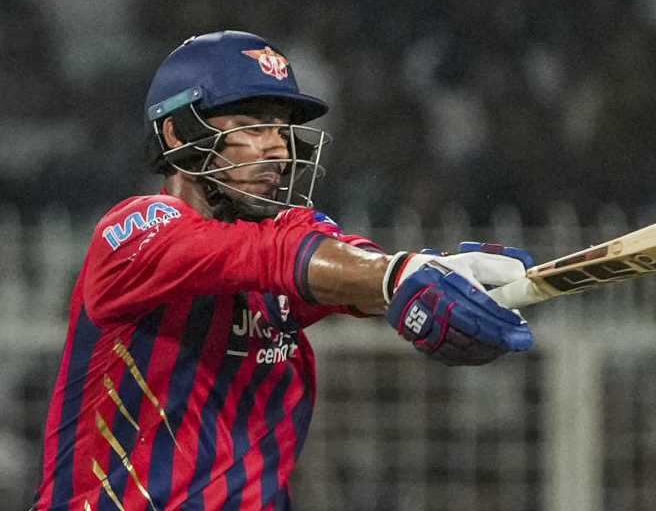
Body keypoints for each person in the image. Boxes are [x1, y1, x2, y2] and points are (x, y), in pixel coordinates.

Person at [31, 30, 534, 510]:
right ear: (178, 132)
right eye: (253, 127)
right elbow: (275, 256)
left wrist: (429, 274)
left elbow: (341, 266)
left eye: (281, 128)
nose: (279, 148)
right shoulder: (137, 230)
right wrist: (397, 276)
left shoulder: (282, 236)